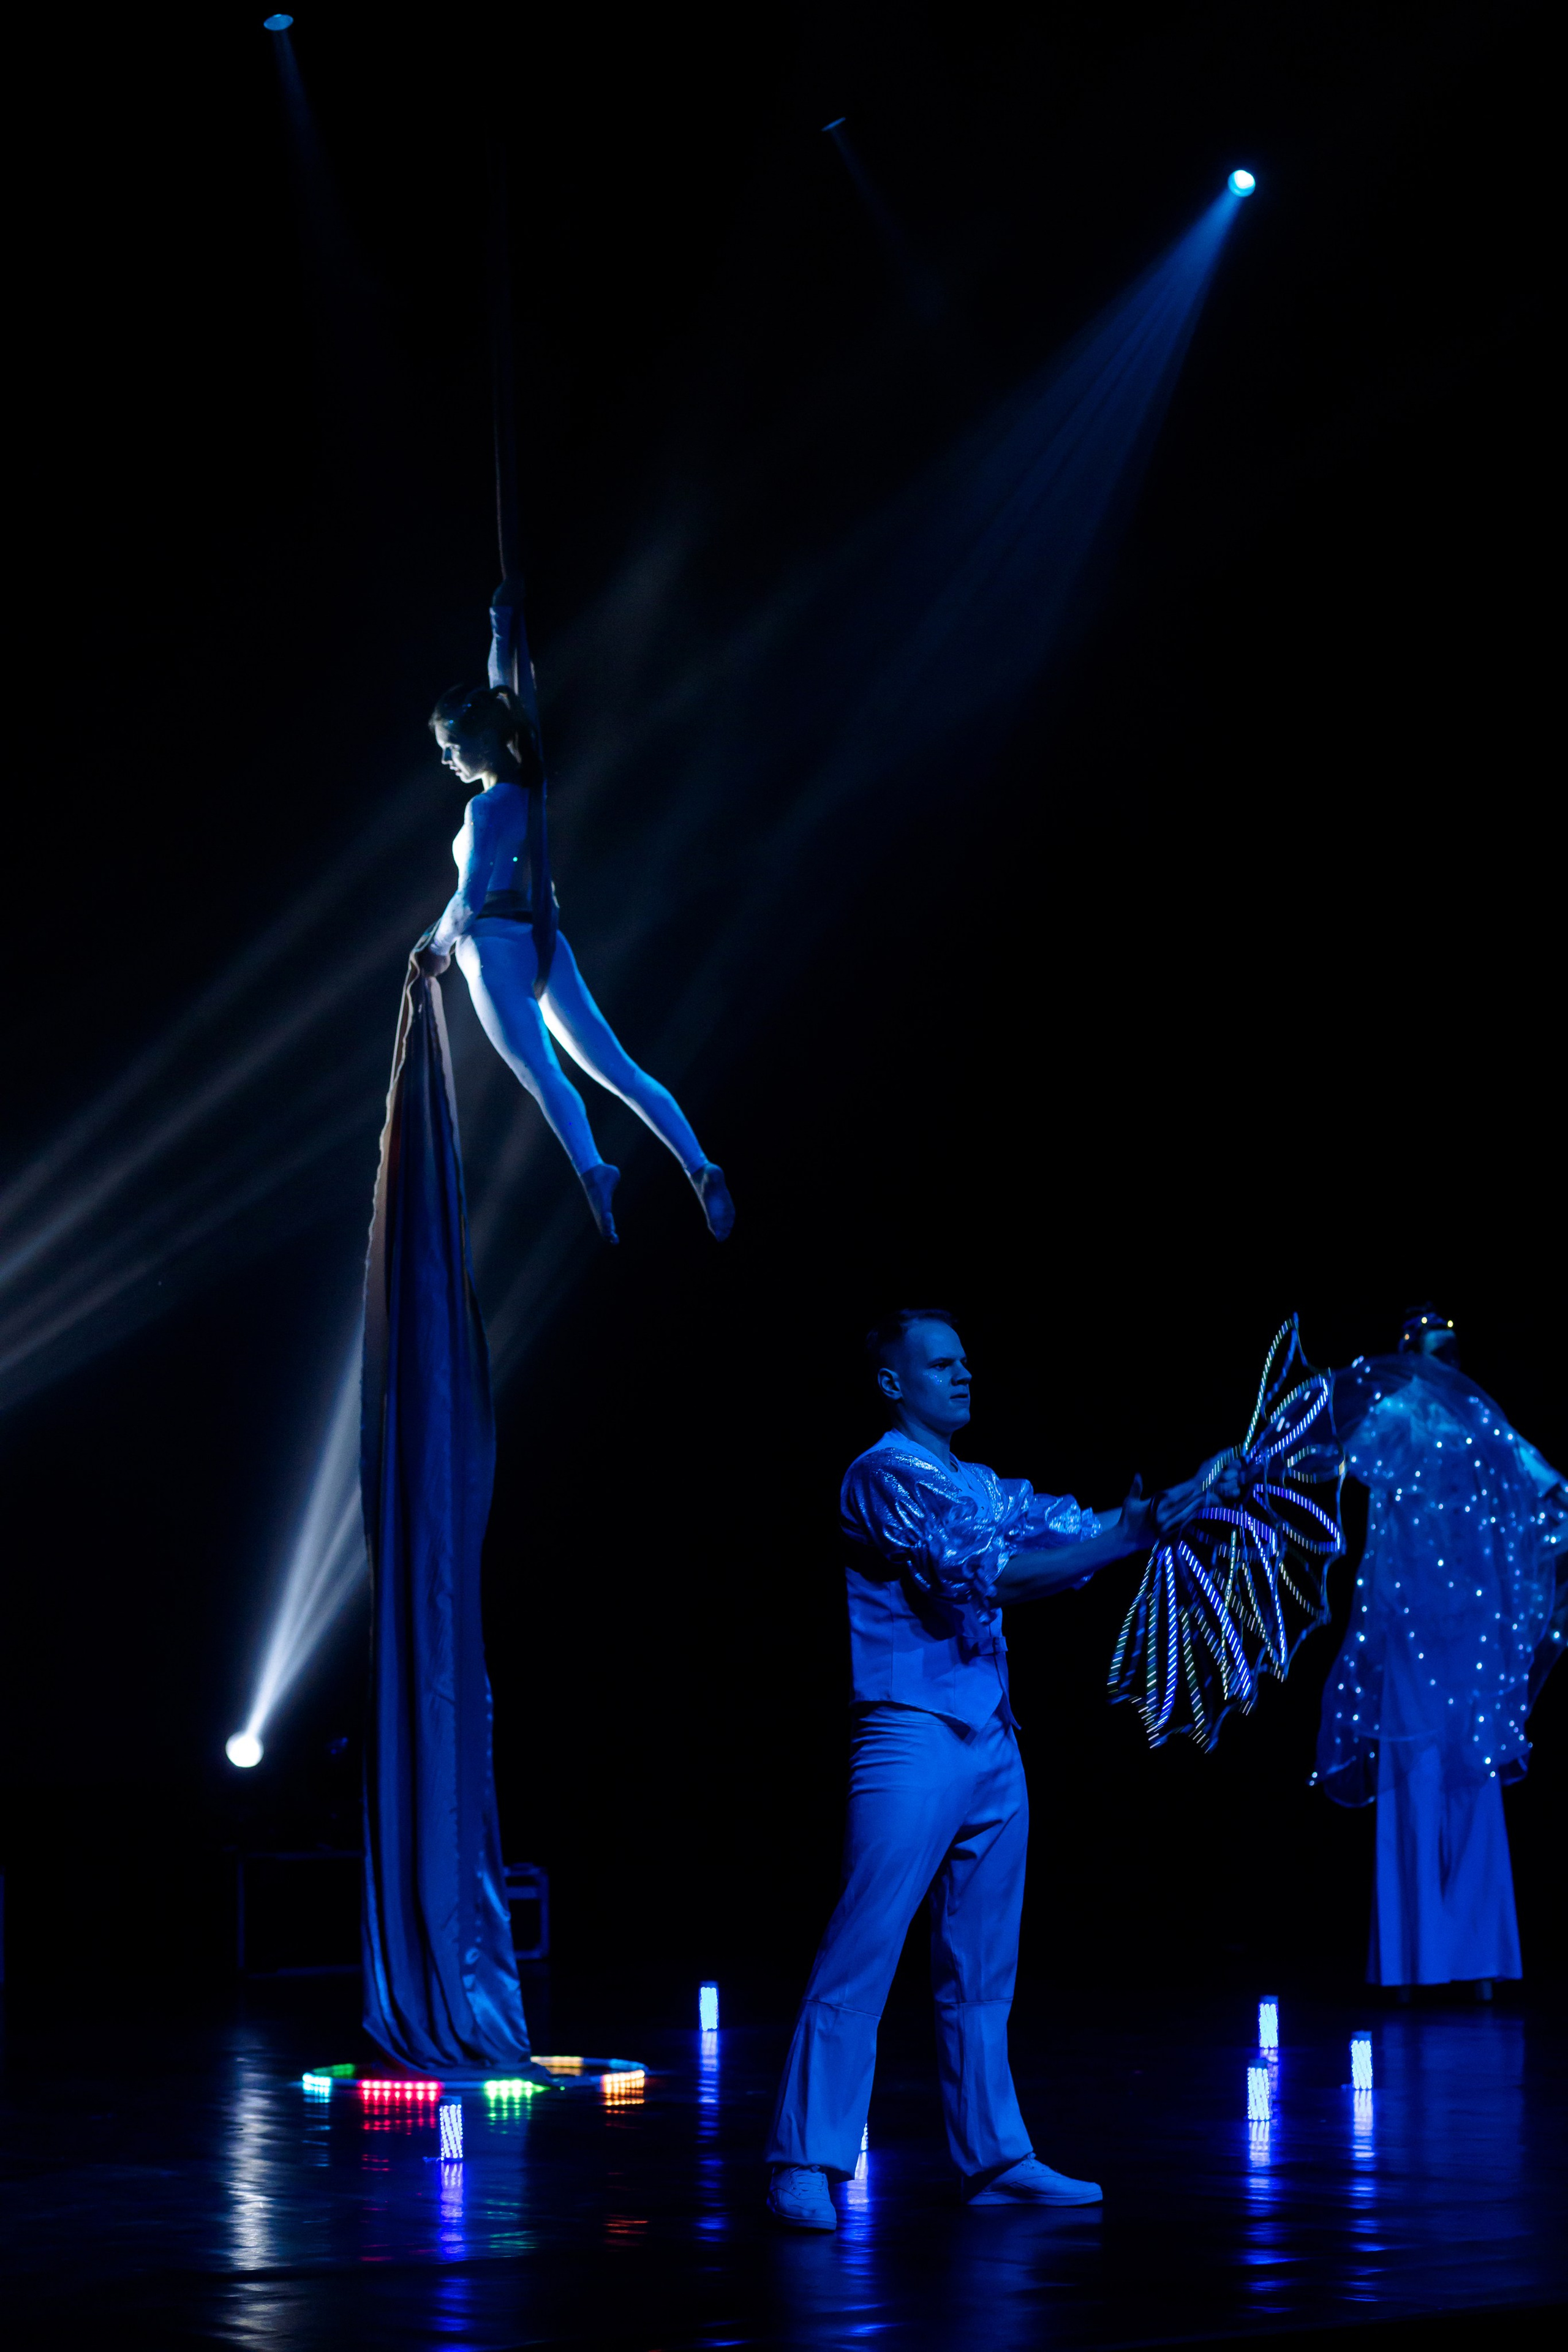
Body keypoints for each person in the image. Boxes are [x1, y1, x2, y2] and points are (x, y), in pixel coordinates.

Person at [764, 1306, 1232, 2229]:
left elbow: (1069, 1525)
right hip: (911, 1733)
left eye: (965, 1361)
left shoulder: (975, 1481)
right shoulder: (880, 1476)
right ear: (894, 1383)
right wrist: (1127, 1539)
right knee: (865, 1943)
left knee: (981, 1964)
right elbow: (986, 1574)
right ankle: (804, 2159)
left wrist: (1169, 1508)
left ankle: (994, 2158)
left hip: (989, 1736)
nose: (962, 1374)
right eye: (941, 1364)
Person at [415, 590, 734, 1247]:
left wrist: (435, 946)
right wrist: (502, 625)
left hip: (492, 945)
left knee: (542, 1073)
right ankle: (698, 1163)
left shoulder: (484, 811)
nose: (447, 761)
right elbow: (511, 694)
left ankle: (593, 1171)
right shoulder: (532, 788)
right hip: (544, 941)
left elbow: (468, 901)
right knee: (619, 1069)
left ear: (482, 740)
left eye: (452, 747)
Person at [1315, 1305, 1567, 1998]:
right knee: (1414, 1773)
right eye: (1434, 1352)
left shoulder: (1482, 1423)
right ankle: (1412, 1963)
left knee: (1471, 1776)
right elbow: (1342, 1453)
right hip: (1413, 1628)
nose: (1446, 1365)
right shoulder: (1398, 1418)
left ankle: (1477, 1961)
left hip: (1471, 1632)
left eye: (1452, 1354)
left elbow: (1546, 1487)